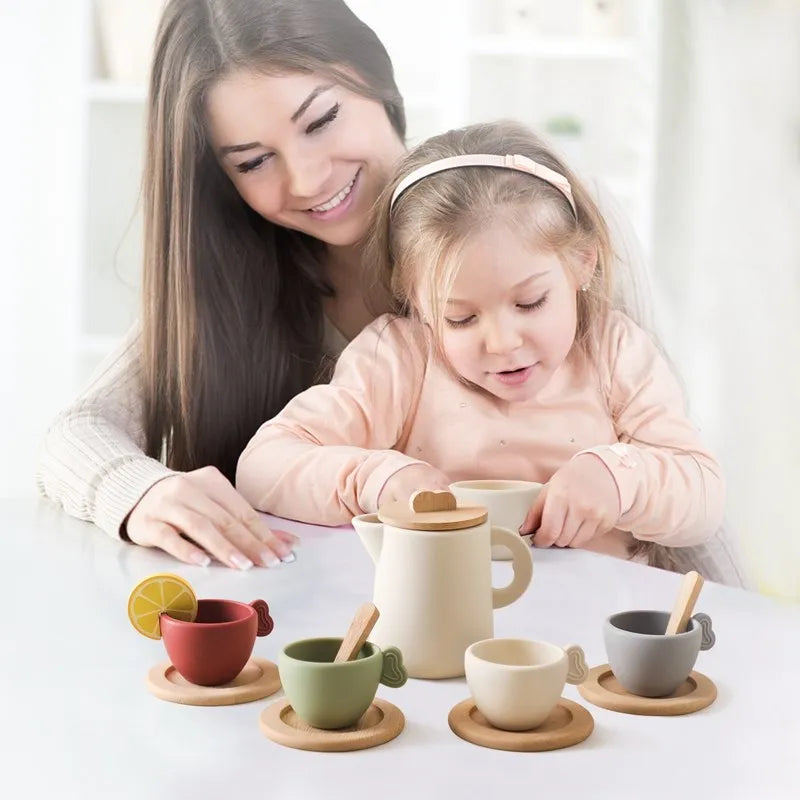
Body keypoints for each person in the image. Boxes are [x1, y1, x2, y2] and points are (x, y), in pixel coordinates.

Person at [36, 0, 656, 571]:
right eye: (253, 162)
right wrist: (144, 491)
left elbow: (673, 460)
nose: (306, 179)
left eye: (322, 120)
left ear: (378, 82)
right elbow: (74, 434)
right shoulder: (229, 285)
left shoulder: (527, 214)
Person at [236, 121, 728, 571]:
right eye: (461, 317)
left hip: (599, 633)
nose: (503, 343)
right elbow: (261, 469)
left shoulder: (613, 349)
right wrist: (377, 480)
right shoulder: (400, 358)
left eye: (531, 303)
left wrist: (617, 480)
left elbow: (702, 497)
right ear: (419, 303)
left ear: (582, 262)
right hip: (448, 621)